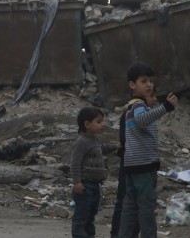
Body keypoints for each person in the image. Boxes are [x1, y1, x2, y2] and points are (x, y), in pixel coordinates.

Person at [119, 63, 178, 238]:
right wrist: (165, 107)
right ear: (132, 85)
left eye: (151, 81)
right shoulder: (138, 105)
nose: (149, 85)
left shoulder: (133, 106)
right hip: (143, 167)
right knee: (146, 208)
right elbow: (143, 120)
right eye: (143, 81)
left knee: (130, 207)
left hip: (133, 165)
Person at [110, 92, 158, 238]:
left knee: (128, 206)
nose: (155, 99)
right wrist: (166, 107)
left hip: (130, 164)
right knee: (142, 208)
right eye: (152, 95)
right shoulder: (137, 110)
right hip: (137, 165)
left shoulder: (129, 113)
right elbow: (128, 140)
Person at [70, 107, 113, 238]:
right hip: (85, 186)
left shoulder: (95, 140)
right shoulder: (81, 142)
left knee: (90, 216)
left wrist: (116, 146)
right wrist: (77, 182)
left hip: (95, 185)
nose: (102, 124)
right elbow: (75, 163)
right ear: (87, 124)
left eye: (102, 121)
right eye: (99, 122)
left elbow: (101, 149)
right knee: (81, 217)